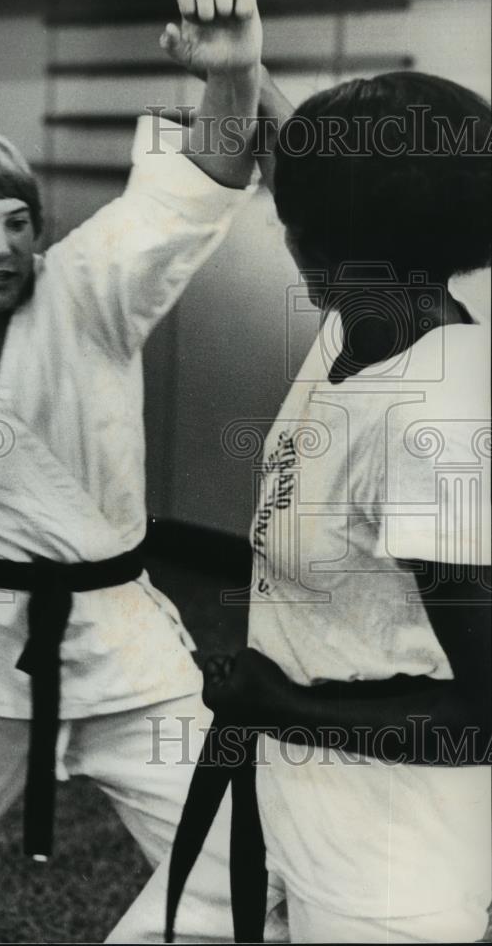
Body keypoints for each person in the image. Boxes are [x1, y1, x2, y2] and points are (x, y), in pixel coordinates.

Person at [0, 0, 287, 944]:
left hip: (119, 646)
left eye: (18, 219)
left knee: (249, 863)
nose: (4, 245)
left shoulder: (88, 291)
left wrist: (231, 81)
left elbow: (190, 193)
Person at [198, 72, 491, 942]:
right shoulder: (368, 320)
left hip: (390, 861)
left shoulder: (428, 417)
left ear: (317, 245)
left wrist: (277, 702)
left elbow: (484, 714)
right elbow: (344, 166)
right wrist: (241, 68)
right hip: (290, 790)